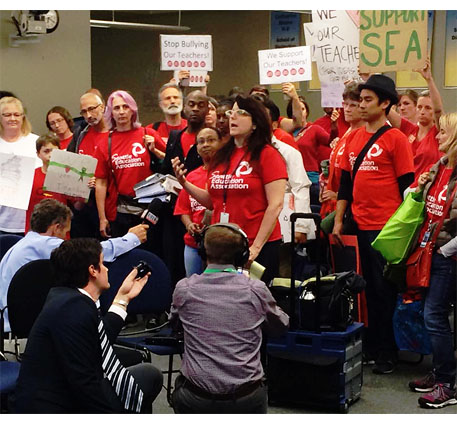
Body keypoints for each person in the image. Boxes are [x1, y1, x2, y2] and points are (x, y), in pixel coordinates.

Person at [14, 237, 163, 413]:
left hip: (59, 393)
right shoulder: (72, 309)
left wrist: (123, 298)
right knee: (149, 376)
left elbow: (98, 342)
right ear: (92, 270)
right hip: (54, 405)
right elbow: (84, 383)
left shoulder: (67, 298)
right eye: (103, 263)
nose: (107, 269)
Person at [332, 74, 415, 375]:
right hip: (357, 225)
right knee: (362, 290)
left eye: (368, 100)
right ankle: (369, 344)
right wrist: (339, 220)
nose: (362, 105)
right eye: (361, 99)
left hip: (385, 228)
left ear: (385, 104)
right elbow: (345, 183)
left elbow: (408, 187)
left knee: (384, 291)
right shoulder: (352, 138)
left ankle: (387, 351)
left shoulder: (397, 139)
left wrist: (403, 231)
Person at [170, 223, 289, 413]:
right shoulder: (255, 289)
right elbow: (281, 326)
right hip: (246, 398)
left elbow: (175, 325)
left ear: (202, 252)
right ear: (242, 256)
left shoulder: (184, 289)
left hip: (195, 398)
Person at [172, 95, 287, 284]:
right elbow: (212, 201)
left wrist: (255, 248)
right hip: (222, 246)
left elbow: (276, 205)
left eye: (240, 113)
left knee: (253, 304)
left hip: (256, 246)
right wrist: (184, 183)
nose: (232, 117)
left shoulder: (267, 155)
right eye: (230, 112)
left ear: (256, 123)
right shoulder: (222, 154)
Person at [0, 198, 148, 333]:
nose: (66, 238)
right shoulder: (44, 244)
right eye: (65, 232)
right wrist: (131, 238)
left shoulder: (20, 245)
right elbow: (93, 251)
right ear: (56, 228)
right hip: (21, 330)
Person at [408, 112, 457, 409]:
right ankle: (440, 374)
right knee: (432, 315)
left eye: (442, 133)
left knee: (435, 317)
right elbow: (419, 205)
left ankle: (447, 384)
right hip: (429, 252)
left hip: (446, 256)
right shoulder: (439, 169)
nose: (436, 137)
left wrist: (445, 251)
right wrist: (420, 186)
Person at [94, 90, 161, 242]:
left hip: (151, 208)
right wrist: (102, 218)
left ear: (133, 110)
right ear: (111, 113)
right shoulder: (105, 142)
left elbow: (168, 166)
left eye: (126, 107)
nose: (122, 112)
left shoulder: (148, 134)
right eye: (117, 108)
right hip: (122, 210)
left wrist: (155, 150)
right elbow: (101, 183)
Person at [174, 127, 224, 276]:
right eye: (201, 142)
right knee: (193, 285)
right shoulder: (191, 176)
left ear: (221, 144)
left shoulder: (227, 172)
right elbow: (183, 209)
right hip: (193, 244)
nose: (205, 144)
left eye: (211, 140)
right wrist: (189, 225)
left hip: (220, 245)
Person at [388, 59, 444, 184]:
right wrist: (370, 80)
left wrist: (429, 79)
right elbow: (385, 109)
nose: (422, 111)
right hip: (407, 191)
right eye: (419, 107)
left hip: (427, 190)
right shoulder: (410, 129)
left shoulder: (438, 132)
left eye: (428, 107)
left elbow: (439, 110)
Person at [66, 92, 109, 239]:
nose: (89, 115)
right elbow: (69, 165)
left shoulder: (114, 134)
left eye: (92, 109)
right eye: (84, 111)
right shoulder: (80, 134)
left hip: (109, 204)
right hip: (84, 205)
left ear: (102, 107)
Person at [320, 82, 364, 218]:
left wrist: (338, 195)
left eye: (353, 105)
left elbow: (363, 182)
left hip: (351, 209)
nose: (347, 109)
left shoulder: (365, 134)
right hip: (333, 205)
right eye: (345, 104)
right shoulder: (347, 132)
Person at [0, 96, 40, 235]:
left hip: (31, 219)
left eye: (17, 114)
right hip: (2, 220)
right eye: (7, 115)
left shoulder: (35, 142)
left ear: (23, 117)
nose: (13, 118)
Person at [289, 96, 330, 205]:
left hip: (311, 179)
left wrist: (334, 125)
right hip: (291, 179)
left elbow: (331, 141)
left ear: (307, 112)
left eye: (302, 109)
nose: (300, 112)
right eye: (297, 109)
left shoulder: (314, 129)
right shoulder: (285, 131)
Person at [25, 134, 68, 233]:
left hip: (60, 231)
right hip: (35, 231)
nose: (51, 155)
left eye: (54, 151)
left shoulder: (67, 176)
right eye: (46, 151)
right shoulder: (30, 175)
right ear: (38, 154)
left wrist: (85, 189)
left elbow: (78, 205)